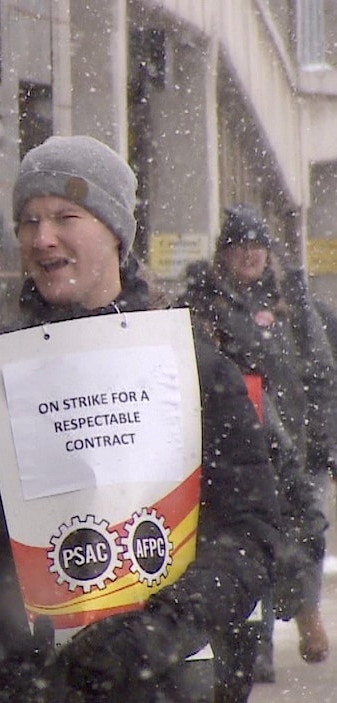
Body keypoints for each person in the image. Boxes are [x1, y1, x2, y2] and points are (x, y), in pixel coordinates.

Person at [0, 135, 279, 703]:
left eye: (66, 216)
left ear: (115, 231)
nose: (43, 238)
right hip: (0, 685)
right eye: (29, 221)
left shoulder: (192, 367)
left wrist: (156, 633)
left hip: (160, 683)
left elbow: (250, 536)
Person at [178, 204, 333, 698]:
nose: (250, 253)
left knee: (298, 527)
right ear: (224, 251)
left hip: (293, 440)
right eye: (240, 244)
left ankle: (303, 613)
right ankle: (255, 639)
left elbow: (320, 372)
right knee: (248, 539)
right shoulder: (203, 301)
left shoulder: (292, 300)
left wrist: (326, 446)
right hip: (238, 441)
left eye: (258, 244)